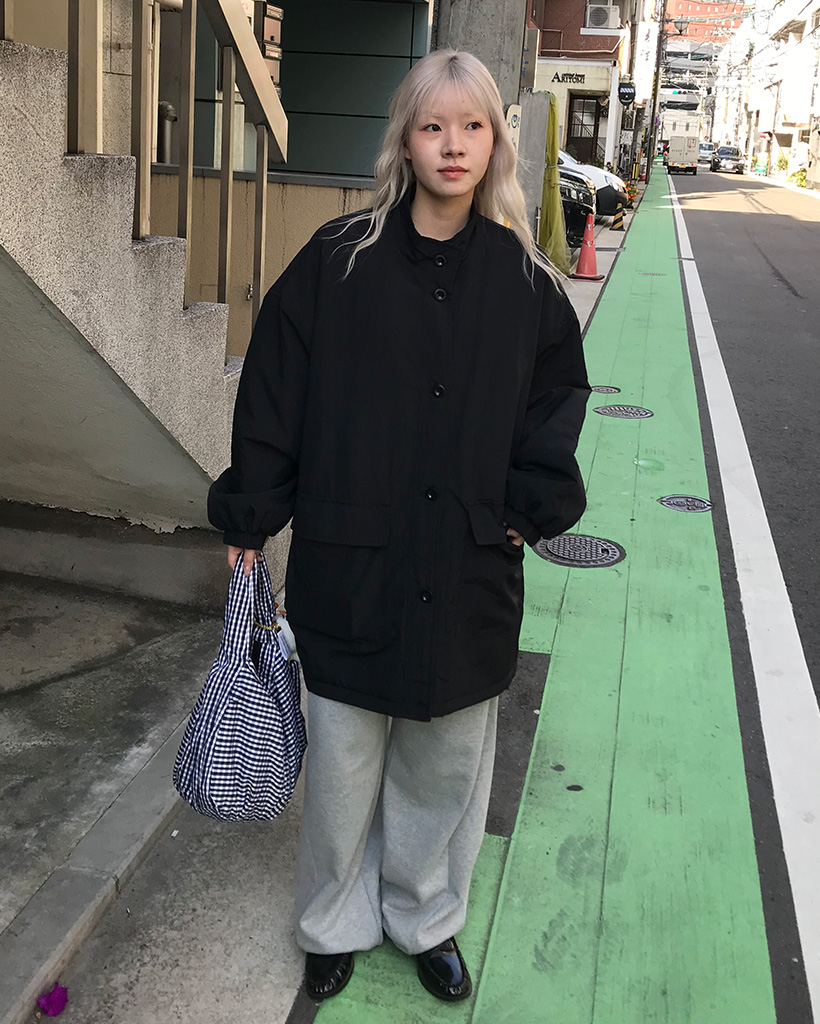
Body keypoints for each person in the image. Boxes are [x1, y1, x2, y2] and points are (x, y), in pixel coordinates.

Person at [208, 49, 589, 1004]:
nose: (453, 145)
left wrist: (525, 509)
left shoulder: (525, 281)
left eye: (472, 126)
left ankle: (426, 916)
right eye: (433, 126)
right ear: (405, 142)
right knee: (342, 767)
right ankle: (333, 920)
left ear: (495, 141)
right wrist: (253, 512)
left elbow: (555, 407)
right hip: (352, 558)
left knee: (444, 766)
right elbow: (275, 392)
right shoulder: (338, 261)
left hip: (468, 565)